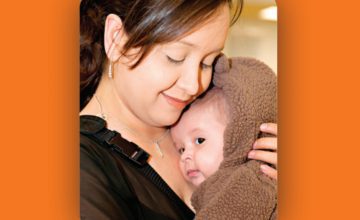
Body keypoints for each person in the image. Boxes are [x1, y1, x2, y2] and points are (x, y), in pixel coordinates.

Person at [80, 0, 277, 219]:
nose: (194, 85)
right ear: (116, 38)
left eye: (208, 62)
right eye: (175, 58)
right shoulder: (81, 167)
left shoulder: (222, 112)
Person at [170, 54, 277, 219]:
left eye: (199, 140)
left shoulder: (247, 185)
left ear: (238, 134)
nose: (185, 156)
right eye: (181, 149)